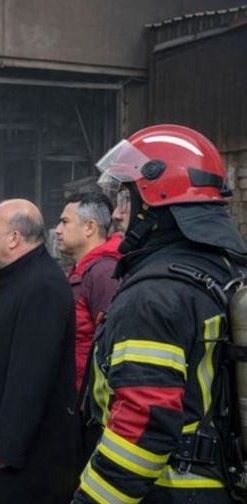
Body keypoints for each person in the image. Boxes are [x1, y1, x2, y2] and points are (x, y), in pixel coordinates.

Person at [73, 124, 247, 503]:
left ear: (153, 201)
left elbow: (143, 425)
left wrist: (92, 499)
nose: (119, 216)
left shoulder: (154, 297)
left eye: (126, 199)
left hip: (170, 493)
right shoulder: (225, 270)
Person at [0, 199, 80, 503]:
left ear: (14, 238)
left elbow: (31, 376)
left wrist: (8, 447)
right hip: (9, 452)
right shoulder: (22, 278)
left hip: (26, 462)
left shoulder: (42, 286)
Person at [55, 192, 122, 394]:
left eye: (65, 222)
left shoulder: (104, 273)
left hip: (89, 399)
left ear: (90, 227)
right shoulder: (81, 270)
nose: (57, 230)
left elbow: (110, 344)